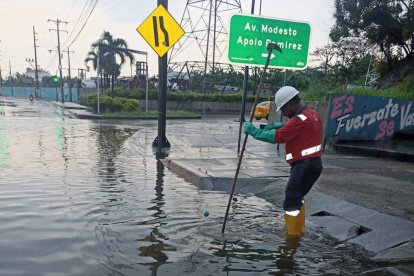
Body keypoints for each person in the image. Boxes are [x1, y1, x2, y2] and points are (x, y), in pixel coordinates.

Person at [244, 86, 323, 236]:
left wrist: (254, 131)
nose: (283, 113)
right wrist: (279, 126)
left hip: (303, 166)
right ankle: (300, 230)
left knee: (291, 201)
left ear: (291, 104)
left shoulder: (298, 121)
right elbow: (296, 129)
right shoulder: (313, 114)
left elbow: (277, 137)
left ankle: (292, 237)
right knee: (298, 197)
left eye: (283, 109)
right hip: (314, 164)